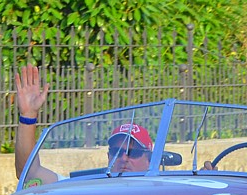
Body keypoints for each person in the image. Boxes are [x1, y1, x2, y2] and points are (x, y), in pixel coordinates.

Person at [14, 65, 153, 185]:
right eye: (116, 151)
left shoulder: (161, 193)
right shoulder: (91, 189)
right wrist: (28, 116)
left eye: (132, 153)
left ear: (150, 161)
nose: (123, 158)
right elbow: (29, 174)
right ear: (108, 157)